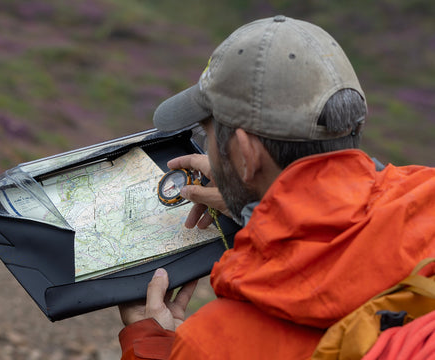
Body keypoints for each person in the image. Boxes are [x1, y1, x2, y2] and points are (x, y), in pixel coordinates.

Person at [117, 15, 435, 359]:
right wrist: (255, 206)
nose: (208, 148)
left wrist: (148, 340)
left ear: (246, 153)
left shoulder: (214, 344)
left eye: (207, 135)